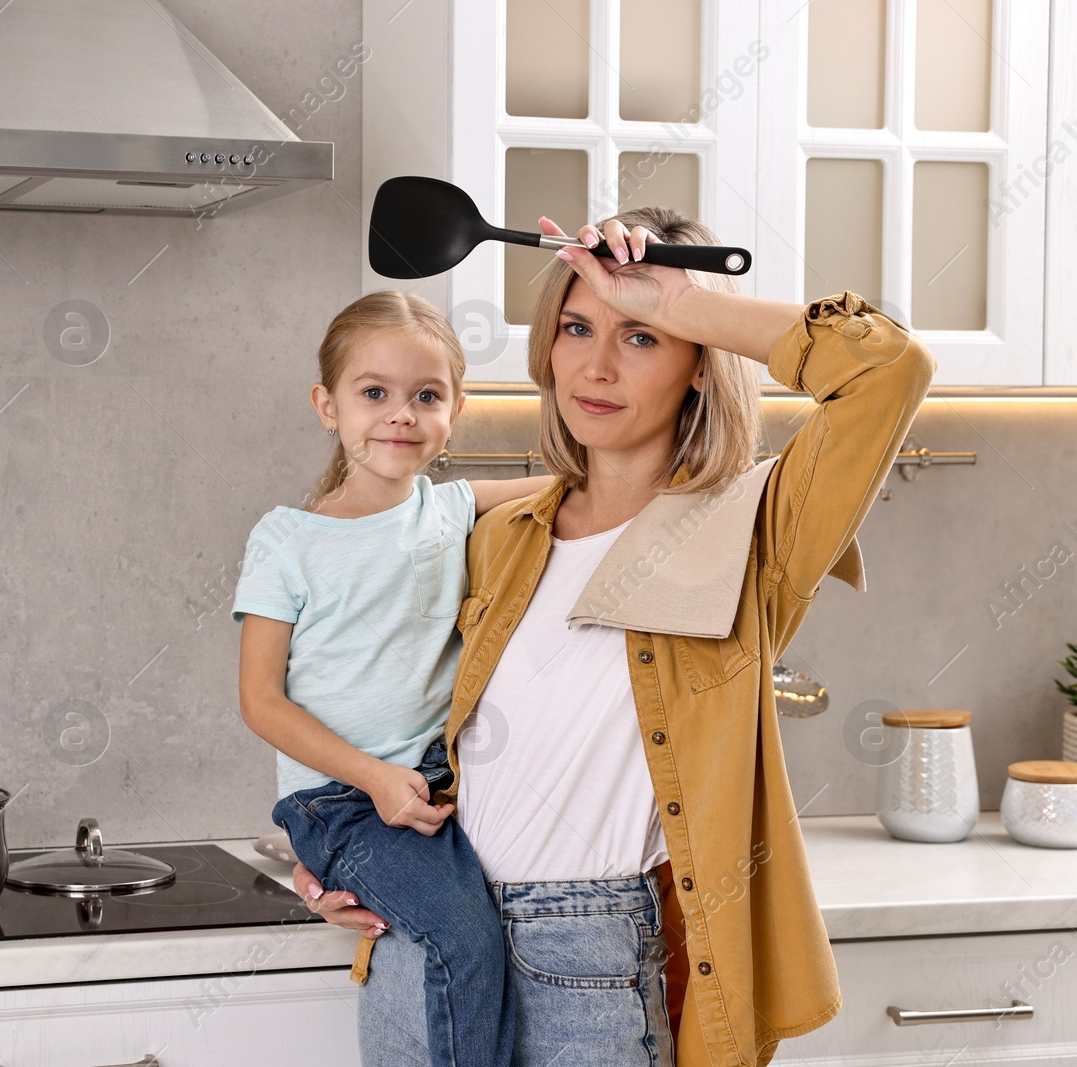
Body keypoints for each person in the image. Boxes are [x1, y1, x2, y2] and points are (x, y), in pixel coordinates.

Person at [292, 206, 936, 1066]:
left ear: (698, 365)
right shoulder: (499, 532)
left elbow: (889, 369)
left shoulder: (752, 532)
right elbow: (370, 702)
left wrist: (679, 300)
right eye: (577, 326)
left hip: (589, 960)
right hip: (432, 931)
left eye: (641, 337)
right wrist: (336, 855)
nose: (595, 365)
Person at [232, 290, 553, 1067]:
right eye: (373, 392)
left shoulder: (450, 511)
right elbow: (260, 701)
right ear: (327, 405)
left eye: (426, 395)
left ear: (456, 410)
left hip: (435, 780)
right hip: (341, 802)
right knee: (467, 939)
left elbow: (575, 488)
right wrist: (374, 777)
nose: (400, 414)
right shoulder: (288, 539)